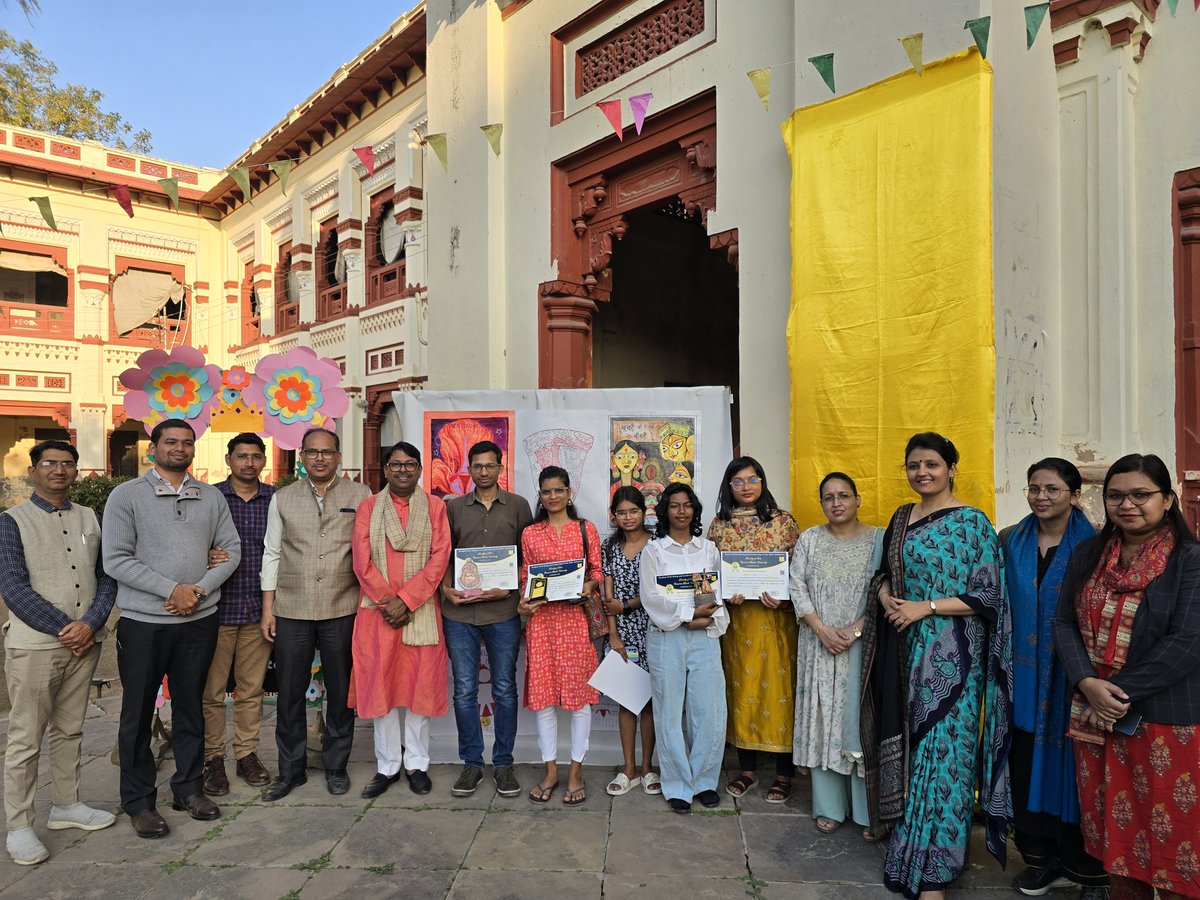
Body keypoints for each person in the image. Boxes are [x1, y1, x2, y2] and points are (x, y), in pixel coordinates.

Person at [861, 432, 1011, 899]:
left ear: (950, 467)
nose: (921, 473)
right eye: (913, 466)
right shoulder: (902, 518)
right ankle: (910, 847)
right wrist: (887, 599)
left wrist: (923, 608)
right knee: (914, 750)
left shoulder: (972, 522)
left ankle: (937, 871)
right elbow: (884, 574)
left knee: (945, 756)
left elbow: (987, 595)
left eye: (931, 464)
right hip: (907, 650)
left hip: (955, 659)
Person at [1054, 453, 1200, 900]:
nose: (1127, 504)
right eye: (1115, 495)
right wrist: (1087, 683)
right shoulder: (1091, 553)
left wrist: (1112, 693)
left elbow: (1187, 642)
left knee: (1177, 844)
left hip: (1166, 722)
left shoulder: (1189, 559)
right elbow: (1063, 623)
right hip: (1099, 721)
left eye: (1141, 494)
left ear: (1168, 499)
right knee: (1119, 843)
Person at [102, 419, 242, 838]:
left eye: (186, 442)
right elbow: (116, 560)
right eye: (170, 442)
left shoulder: (211, 496)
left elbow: (231, 551)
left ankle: (188, 788)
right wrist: (172, 589)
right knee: (138, 713)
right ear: (153, 448)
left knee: (190, 708)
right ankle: (140, 802)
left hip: (199, 621)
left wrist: (196, 592)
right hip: (145, 623)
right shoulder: (125, 497)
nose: (179, 448)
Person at [0, 440, 117, 865]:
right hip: (35, 647)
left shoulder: (91, 516)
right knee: (25, 738)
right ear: (33, 470)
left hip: (85, 643)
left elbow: (107, 577)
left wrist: (89, 624)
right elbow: (12, 585)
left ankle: (66, 806)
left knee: (70, 730)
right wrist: (64, 629)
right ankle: (19, 826)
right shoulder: (12, 521)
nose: (59, 470)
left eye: (67, 464)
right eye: (49, 463)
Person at [1001, 459, 1105, 898]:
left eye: (1053, 489)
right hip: (1023, 680)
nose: (1041, 497)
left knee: (1081, 772)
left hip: (1076, 680)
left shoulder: (1097, 546)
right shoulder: (1010, 541)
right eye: (1033, 488)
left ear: (1074, 495)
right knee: (1025, 762)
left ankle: (1090, 871)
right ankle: (1041, 860)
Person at [259, 427, 371, 801]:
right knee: (289, 693)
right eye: (312, 452)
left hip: (343, 606)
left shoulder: (361, 495)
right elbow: (271, 553)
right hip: (292, 608)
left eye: (327, 452)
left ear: (339, 456)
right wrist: (268, 609)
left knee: (340, 693)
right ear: (302, 457)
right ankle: (290, 771)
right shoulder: (283, 498)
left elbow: (369, 553)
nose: (319, 458)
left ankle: (336, 766)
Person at [350, 442, 451, 798]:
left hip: (420, 611)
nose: (403, 470)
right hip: (377, 613)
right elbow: (361, 561)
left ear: (420, 469)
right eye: (396, 465)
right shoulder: (368, 507)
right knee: (382, 689)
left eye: (410, 464)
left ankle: (417, 763)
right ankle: (387, 765)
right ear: (386, 470)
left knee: (419, 690)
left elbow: (440, 558)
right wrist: (388, 601)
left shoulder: (436, 507)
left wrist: (406, 600)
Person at [789, 472, 879, 836]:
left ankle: (866, 810)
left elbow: (885, 588)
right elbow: (797, 586)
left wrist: (856, 629)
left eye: (844, 495)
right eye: (828, 497)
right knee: (822, 718)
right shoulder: (810, 539)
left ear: (858, 499)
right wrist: (822, 629)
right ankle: (828, 807)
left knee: (858, 719)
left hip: (864, 645)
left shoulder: (879, 539)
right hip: (818, 644)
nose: (836, 503)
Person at [442, 440, 533, 799]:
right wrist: (445, 588)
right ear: (469, 469)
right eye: (476, 466)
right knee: (464, 690)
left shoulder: (519, 506)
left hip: (502, 612)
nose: (483, 472)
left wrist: (509, 590)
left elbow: (527, 558)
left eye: (489, 466)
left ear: (500, 467)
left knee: (504, 689)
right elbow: (441, 556)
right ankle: (472, 764)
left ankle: (504, 763)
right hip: (459, 613)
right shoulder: (452, 509)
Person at [707, 456, 800, 804]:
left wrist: (786, 600)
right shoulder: (719, 526)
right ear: (729, 487)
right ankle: (747, 771)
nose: (747, 487)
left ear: (762, 482)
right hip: (737, 625)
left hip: (776, 622)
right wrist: (722, 594)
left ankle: (784, 773)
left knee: (779, 692)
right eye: (739, 481)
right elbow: (711, 574)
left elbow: (800, 573)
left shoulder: (783, 522)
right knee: (741, 690)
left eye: (753, 479)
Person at [639, 482, 729, 815]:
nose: (681, 510)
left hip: (704, 635)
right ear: (665, 510)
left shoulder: (708, 549)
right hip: (667, 638)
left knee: (709, 711)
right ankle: (677, 784)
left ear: (694, 510)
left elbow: (715, 592)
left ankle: (704, 781)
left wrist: (707, 618)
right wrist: (688, 615)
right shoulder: (654, 550)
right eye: (674, 505)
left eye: (687, 504)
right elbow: (651, 597)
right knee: (669, 711)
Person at [517, 465, 603, 807]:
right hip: (542, 623)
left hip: (574, 622)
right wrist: (525, 602)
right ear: (540, 495)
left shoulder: (586, 529)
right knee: (544, 700)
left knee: (580, 700)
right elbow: (526, 575)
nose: (552, 496)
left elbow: (596, 569)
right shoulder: (530, 534)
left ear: (569, 492)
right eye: (546, 491)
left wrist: (588, 585)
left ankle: (576, 772)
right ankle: (551, 771)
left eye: (558, 490)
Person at [202, 433, 275, 796]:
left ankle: (246, 753)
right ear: (228, 459)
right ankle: (212, 759)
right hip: (214, 610)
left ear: (264, 461)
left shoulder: (275, 500)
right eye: (241, 456)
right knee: (211, 692)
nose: (249, 463)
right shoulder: (208, 498)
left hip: (256, 611)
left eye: (256, 457)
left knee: (251, 690)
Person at [601, 486, 659, 797]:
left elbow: (658, 593)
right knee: (627, 702)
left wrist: (628, 605)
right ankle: (629, 769)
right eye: (621, 512)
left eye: (633, 511)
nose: (627, 517)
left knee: (648, 703)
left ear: (644, 512)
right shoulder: (608, 547)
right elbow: (608, 596)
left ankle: (648, 768)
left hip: (654, 629)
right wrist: (613, 635)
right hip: (622, 634)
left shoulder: (658, 545)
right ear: (614, 516)